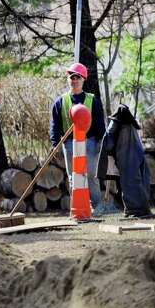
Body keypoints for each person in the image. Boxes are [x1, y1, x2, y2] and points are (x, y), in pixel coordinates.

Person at [49, 62, 108, 216]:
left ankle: (97, 206)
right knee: (73, 177)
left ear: (83, 80)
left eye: (77, 77)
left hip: (90, 142)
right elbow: (55, 125)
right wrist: (55, 143)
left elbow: (100, 123)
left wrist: (102, 142)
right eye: (71, 77)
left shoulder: (92, 100)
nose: (74, 80)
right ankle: (77, 208)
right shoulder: (60, 102)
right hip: (69, 144)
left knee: (90, 175)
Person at [100, 105, 155, 219]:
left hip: (126, 157)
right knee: (138, 179)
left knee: (132, 180)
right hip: (133, 157)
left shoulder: (116, 124)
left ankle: (136, 209)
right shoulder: (131, 126)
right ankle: (138, 208)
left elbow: (108, 141)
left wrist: (110, 151)